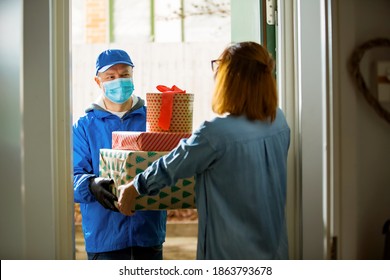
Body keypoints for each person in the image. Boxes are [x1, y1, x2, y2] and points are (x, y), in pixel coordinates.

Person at [117, 41, 291, 260]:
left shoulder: (216, 133)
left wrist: (133, 188)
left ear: (231, 79)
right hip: (276, 252)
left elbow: (170, 166)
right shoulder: (279, 121)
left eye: (219, 67)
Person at [73, 49, 166, 260]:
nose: (118, 81)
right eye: (110, 77)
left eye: (124, 75)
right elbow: (71, 176)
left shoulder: (153, 119)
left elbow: (169, 163)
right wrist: (90, 185)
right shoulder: (84, 127)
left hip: (148, 234)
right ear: (98, 81)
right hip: (104, 237)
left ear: (132, 75)